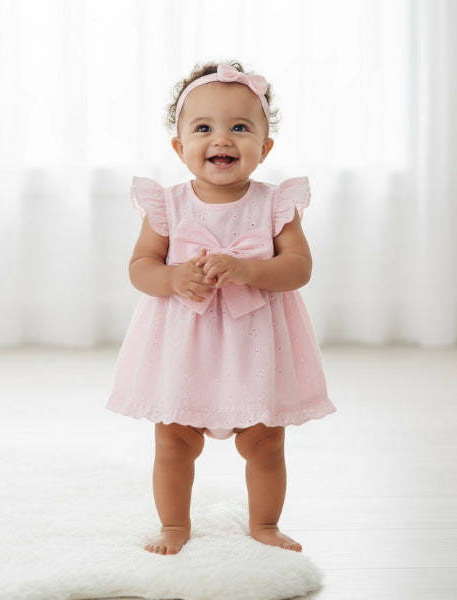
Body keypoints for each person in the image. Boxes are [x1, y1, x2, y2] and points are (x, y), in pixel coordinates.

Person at [107, 61, 336, 556]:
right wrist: (170, 277)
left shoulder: (276, 204)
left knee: (265, 443)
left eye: (240, 127)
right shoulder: (167, 205)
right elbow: (139, 266)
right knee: (173, 441)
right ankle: (173, 526)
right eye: (204, 128)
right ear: (180, 146)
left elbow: (298, 268)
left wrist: (249, 269)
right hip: (183, 346)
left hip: (254, 346)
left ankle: (264, 524)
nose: (222, 139)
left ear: (264, 146)